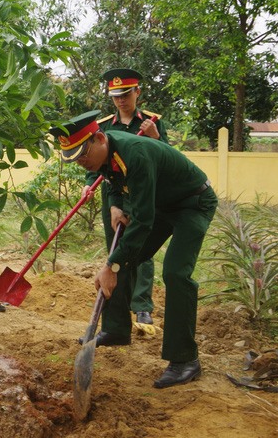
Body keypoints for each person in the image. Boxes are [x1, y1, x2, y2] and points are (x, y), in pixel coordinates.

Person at [50, 110, 218, 388]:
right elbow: (112, 178)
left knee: (176, 273)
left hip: (193, 203)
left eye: (82, 156)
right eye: (75, 159)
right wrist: (115, 204)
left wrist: (111, 266)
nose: (81, 163)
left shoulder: (136, 153)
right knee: (125, 258)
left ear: (100, 138)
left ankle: (185, 360)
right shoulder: (106, 153)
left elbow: (142, 221)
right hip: (162, 203)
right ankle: (116, 329)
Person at [82, 68, 169, 326]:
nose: (121, 100)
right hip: (114, 195)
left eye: (126, 94)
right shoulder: (105, 125)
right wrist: (89, 185)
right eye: (116, 95)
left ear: (137, 92)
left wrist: (156, 136)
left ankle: (142, 305)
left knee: (141, 248)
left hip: (143, 193)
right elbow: (94, 161)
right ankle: (116, 316)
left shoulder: (152, 122)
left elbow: (166, 156)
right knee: (116, 251)